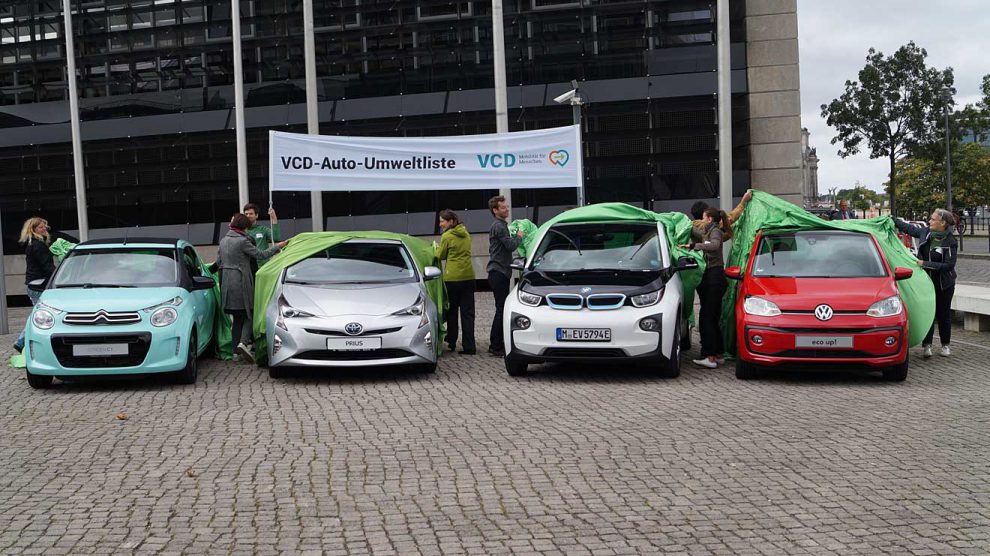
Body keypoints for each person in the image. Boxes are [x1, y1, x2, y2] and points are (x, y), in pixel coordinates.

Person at [218, 213, 287, 363]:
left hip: (226, 284)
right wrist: (277, 247)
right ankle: (243, 343)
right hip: (241, 282)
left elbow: (218, 262)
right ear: (244, 227)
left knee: (237, 318)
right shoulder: (243, 241)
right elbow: (260, 254)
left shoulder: (223, 241)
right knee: (251, 313)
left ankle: (235, 353)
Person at [895, 209, 958, 358]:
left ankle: (945, 345)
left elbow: (949, 266)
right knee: (928, 312)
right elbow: (909, 229)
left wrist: (925, 264)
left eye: (933, 219)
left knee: (943, 314)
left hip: (944, 284)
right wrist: (893, 220)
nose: (929, 221)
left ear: (942, 223)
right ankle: (927, 345)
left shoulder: (950, 241)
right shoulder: (926, 233)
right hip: (927, 283)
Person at [682, 207, 732, 369]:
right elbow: (697, 233)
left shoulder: (715, 231)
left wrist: (693, 246)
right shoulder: (708, 231)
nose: (702, 221)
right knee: (713, 317)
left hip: (714, 278)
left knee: (706, 318)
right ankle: (718, 354)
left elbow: (714, 246)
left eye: (704, 218)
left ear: (709, 219)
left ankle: (709, 357)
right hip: (715, 279)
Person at [487, 195, 524, 356]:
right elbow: (510, 245)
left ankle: (497, 343)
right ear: (495, 210)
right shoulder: (499, 226)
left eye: (507, 206)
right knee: (501, 309)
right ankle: (496, 345)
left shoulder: (501, 225)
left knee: (501, 308)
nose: (507, 209)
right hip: (498, 272)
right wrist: (519, 236)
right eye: (503, 207)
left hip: (500, 272)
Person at [436, 209, 476, 355]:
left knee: (452, 311)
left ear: (451, 221)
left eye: (442, 221)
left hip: (452, 278)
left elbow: (440, 255)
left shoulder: (447, 236)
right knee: (468, 313)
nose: (440, 224)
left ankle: (451, 341)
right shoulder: (466, 233)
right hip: (469, 277)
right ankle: (469, 346)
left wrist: (435, 249)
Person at [14, 217, 55, 354]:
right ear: (33, 229)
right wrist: (59, 276)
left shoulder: (33, 244)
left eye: (45, 227)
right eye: (41, 227)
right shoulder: (38, 245)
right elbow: (47, 267)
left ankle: (20, 342)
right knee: (38, 316)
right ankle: (20, 342)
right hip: (39, 285)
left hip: (34, 285)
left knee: (37, 315)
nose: (44, 229)